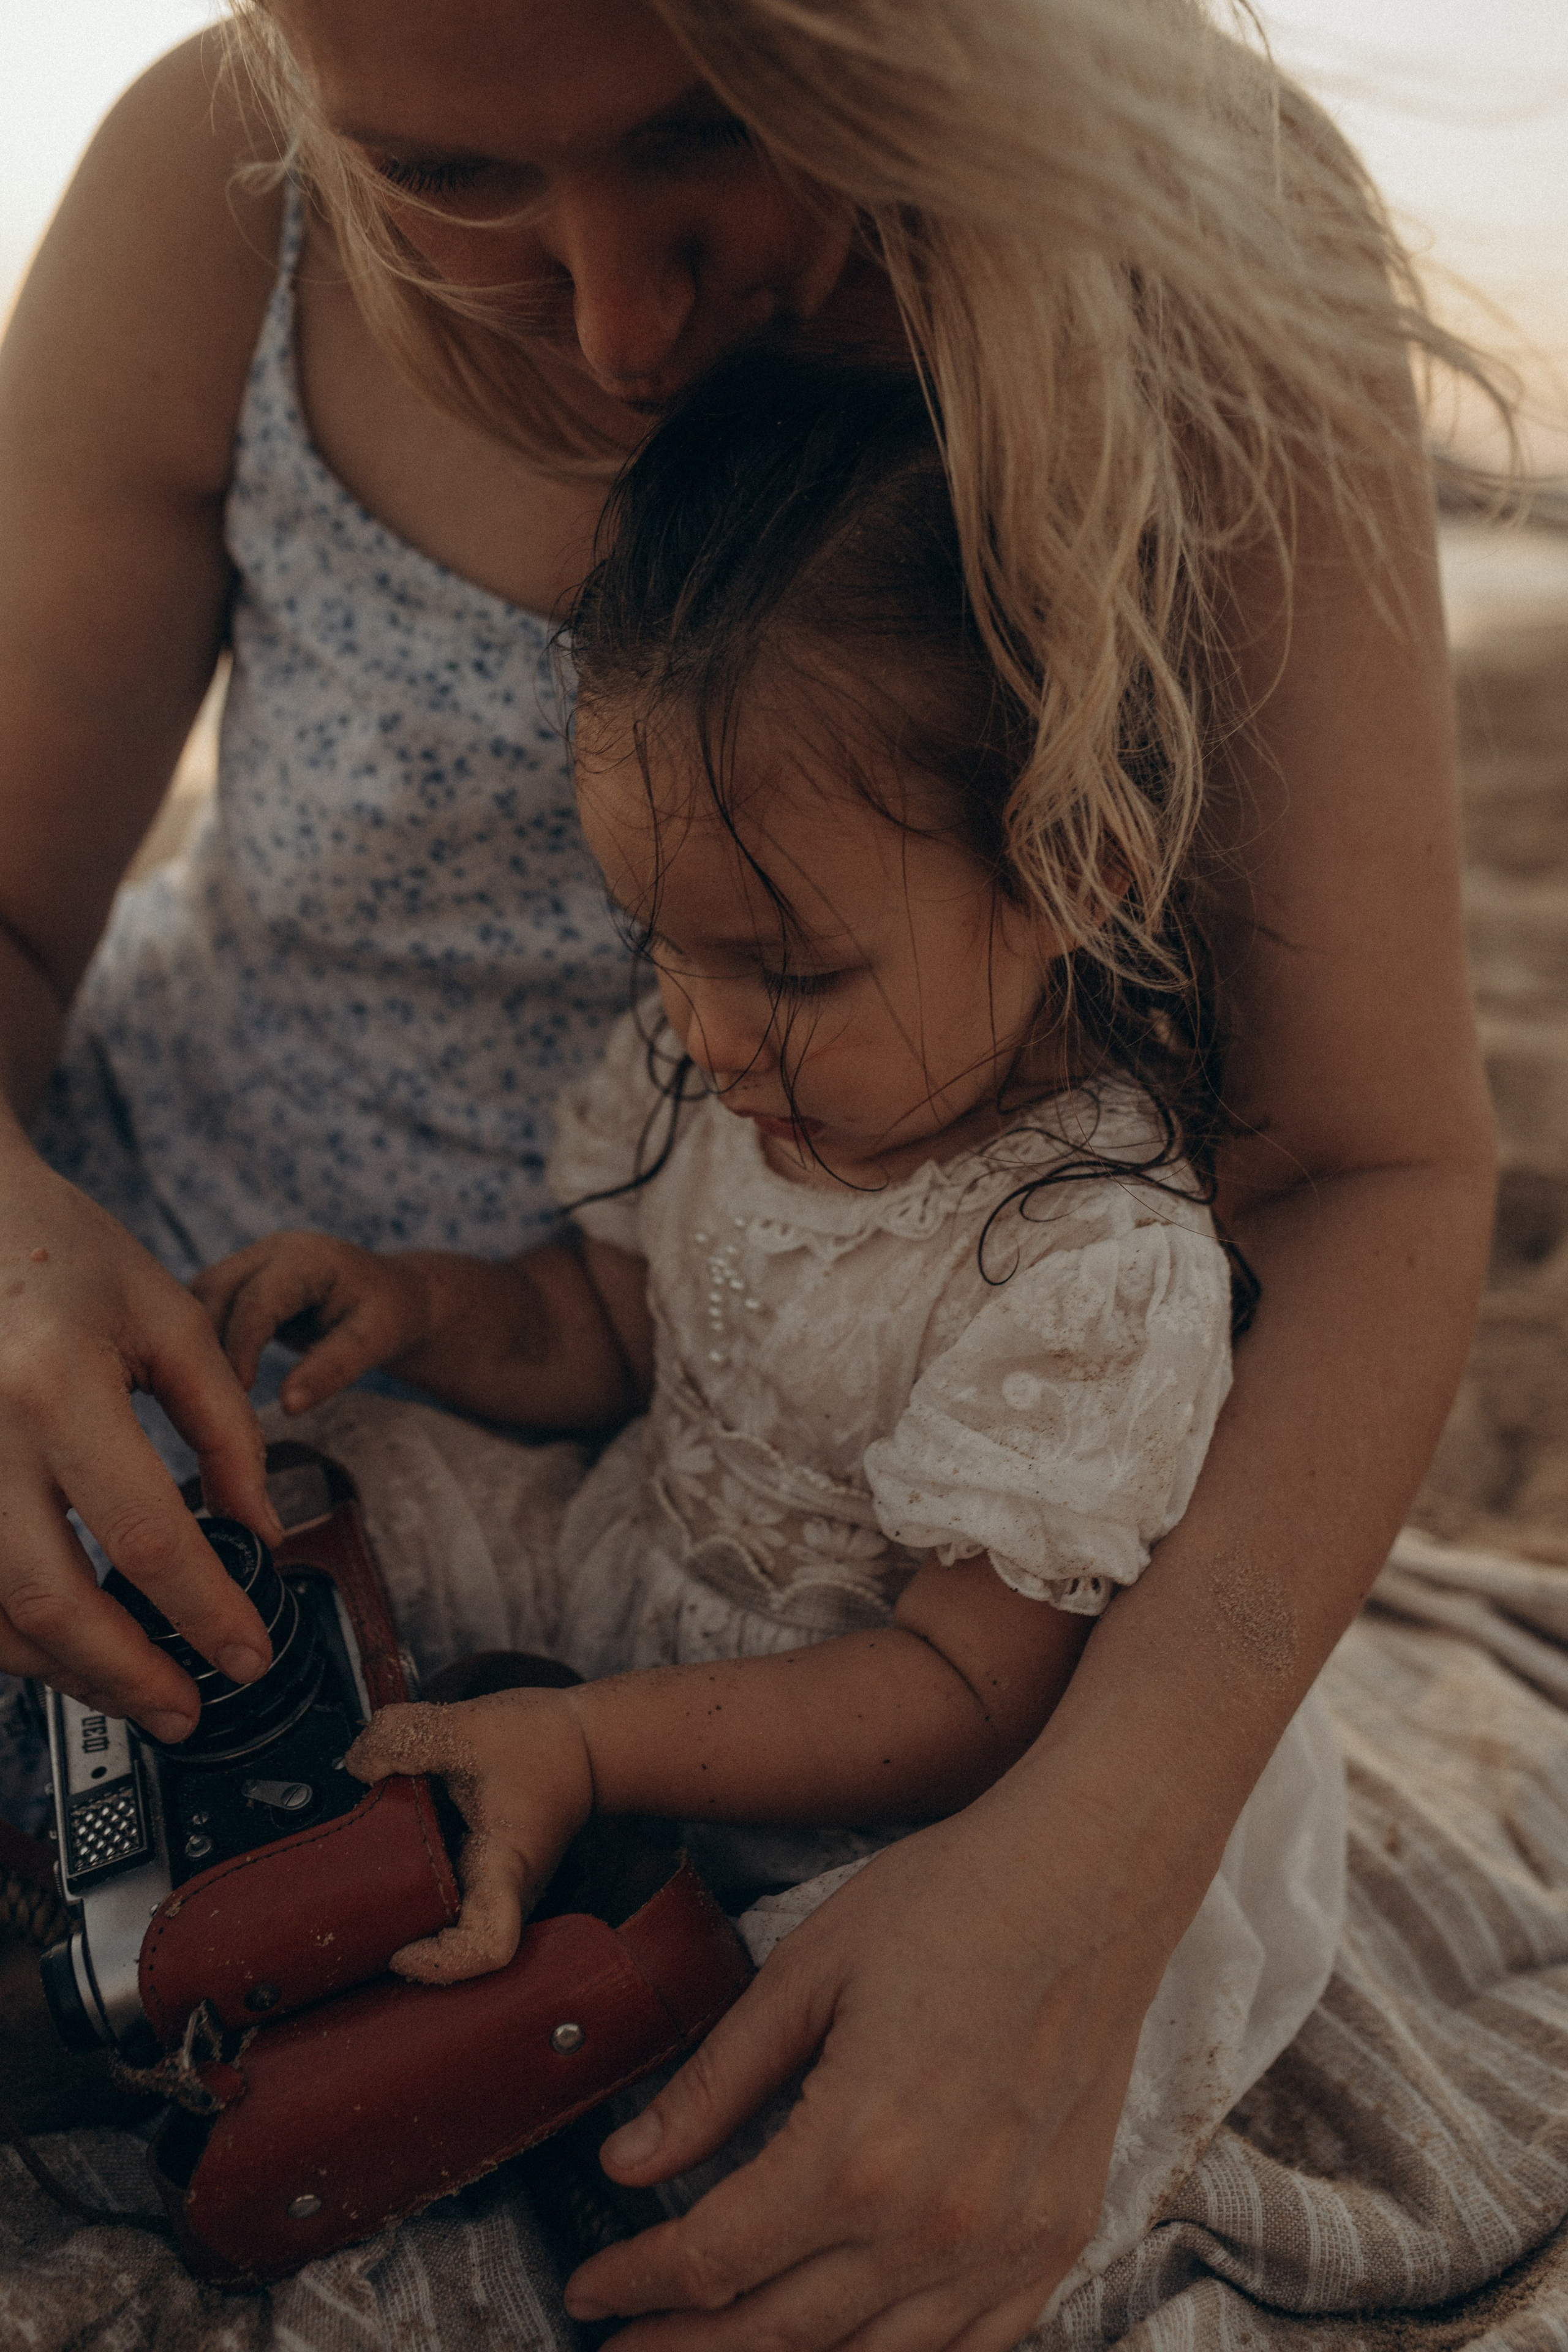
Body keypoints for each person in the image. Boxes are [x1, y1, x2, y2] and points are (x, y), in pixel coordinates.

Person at [0, 2, 1496, 2343]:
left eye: (718, 129)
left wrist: (1081, 1886)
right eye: (452, 184)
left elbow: (1366, 1164)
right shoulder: (207, 196)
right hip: (248, 1354)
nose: (615, 327)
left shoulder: (1187, 238)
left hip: (896, 1546)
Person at [191, 352, 1344, 2313]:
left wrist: (585, 1734)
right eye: (666, 947)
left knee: (773, 2155)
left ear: (1076, 860)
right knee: (322, 1497)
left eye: (789, 970)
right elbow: (598, 1341)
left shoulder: (1087, 1262)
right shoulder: (722, 1066)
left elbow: (958, 1696)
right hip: (650, 1572)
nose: (709, 1036)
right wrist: (419, 1307)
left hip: (885, 1792)